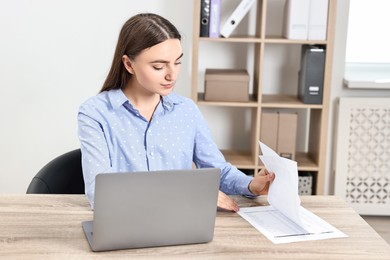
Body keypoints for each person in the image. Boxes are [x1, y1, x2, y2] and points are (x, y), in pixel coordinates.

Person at [78, 13, 274, 211]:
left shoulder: (186, 110)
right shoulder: (96, 113)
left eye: (177, 62)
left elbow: (216, 170)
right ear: (129, 64)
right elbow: (100, 193)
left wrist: (250, 185)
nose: (172, 74)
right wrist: (188, 191)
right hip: (124, 220)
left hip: (181, 220)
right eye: (159, 66)